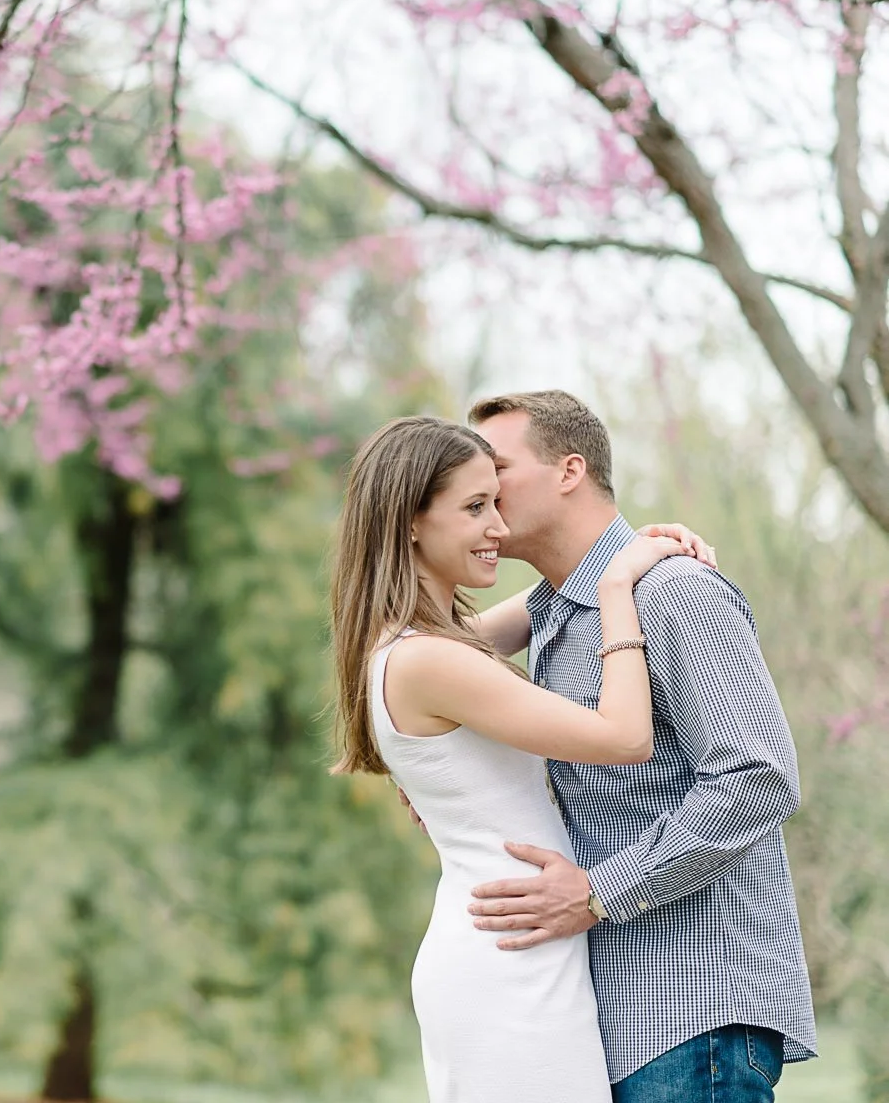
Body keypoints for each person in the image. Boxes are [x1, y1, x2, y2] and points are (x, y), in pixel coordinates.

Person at [329, 414, 706, 1100]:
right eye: (475, 508)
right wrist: (619, 587)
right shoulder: (430, 662)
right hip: (507, 960)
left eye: (496, 502)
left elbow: (539, 604)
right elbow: (625, 738)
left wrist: (606, 554)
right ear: (410, 521)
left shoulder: (421, 646)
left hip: (519, 941)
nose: (498, 527)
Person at [459, 390, 815, 1100]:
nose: (481, 489)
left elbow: (758, 777)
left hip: (696, 1019)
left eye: (496, 467)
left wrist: (596, 893)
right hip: (614, 1021)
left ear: (569, 470)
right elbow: (417, 657)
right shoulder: (555, 614)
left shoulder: (675, 592)